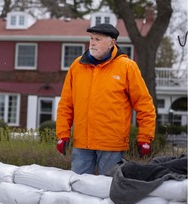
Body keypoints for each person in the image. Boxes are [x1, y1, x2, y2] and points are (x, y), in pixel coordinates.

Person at [56, 23, 156, 175]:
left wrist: (145, 138)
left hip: (112, 145)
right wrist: (62, 134)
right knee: (77, 189)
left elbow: (144, 105)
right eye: (91, 39)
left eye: (98, 39)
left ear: (112, 43)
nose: (93, 43)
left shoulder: (127, 67)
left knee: (108, 190)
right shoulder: (77, 66)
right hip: (82, 144)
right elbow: (66, 104)